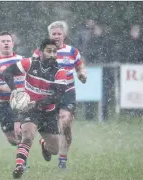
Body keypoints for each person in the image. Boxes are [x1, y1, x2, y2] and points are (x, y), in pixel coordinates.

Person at [3, 38, 71, 179]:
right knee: (27, 136)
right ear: (40, 52)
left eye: (54, 51)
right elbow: (7, 73)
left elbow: (57, 97)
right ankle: (19, 166)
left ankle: (43, 144)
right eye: (49, 51)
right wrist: (15, 90)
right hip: (30, 109)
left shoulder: (60, 72)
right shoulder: (29, 63)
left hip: (48, 111)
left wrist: (36, 103)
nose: (52, 54)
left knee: (54, 150)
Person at [32, 21, 87, 169]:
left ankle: (63, 162)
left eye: (59, 34)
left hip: (67, 92)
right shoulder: (40, 51)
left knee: (66, 123)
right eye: (53, 34)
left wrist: (82, 74)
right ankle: (46, 143)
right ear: (49, 35)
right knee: (52, 137)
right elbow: (33, 68)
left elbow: (80, 66)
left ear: (64, 35)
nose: (56, 36)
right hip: (48, 94)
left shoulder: (72, 51)